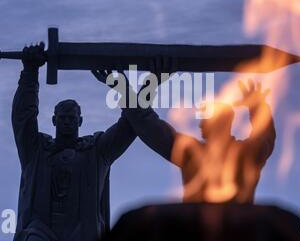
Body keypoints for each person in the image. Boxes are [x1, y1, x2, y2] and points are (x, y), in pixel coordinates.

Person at [11, 43, 136, 241]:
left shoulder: (97, 152)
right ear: (54, 120)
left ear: (80, 121)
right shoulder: (36, 151)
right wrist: (30, 73)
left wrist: (120, 86)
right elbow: (23, 118)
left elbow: (130, 124)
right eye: (63, 117)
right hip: (40, 232)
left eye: (71, 117)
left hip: (82, 234)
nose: (67, 121)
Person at [102, 61, 276, 203]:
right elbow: (144, 121)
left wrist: (129, 88)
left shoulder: (196, 153)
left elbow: (143, 120)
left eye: (205, 121)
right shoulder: (192, 151)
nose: (200, 126)